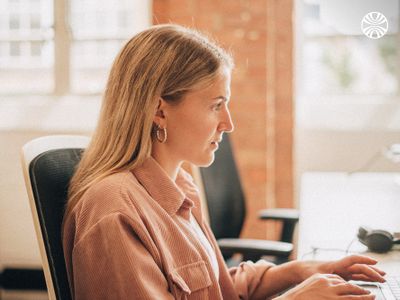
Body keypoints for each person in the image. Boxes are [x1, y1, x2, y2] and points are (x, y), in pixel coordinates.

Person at [62, 24, 385, 299]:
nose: (228, 123)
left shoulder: (179, 184)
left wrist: (299, 271)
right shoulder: (114, 211)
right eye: (216, 105)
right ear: (159, 111)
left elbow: (219, 287)